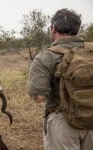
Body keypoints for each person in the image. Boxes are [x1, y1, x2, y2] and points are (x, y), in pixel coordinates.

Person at [29, 8, 93, 150]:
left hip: (63, 121)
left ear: (53, 29)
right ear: (77, 29)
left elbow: (39, 97)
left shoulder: (45, 57)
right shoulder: (91, 50)